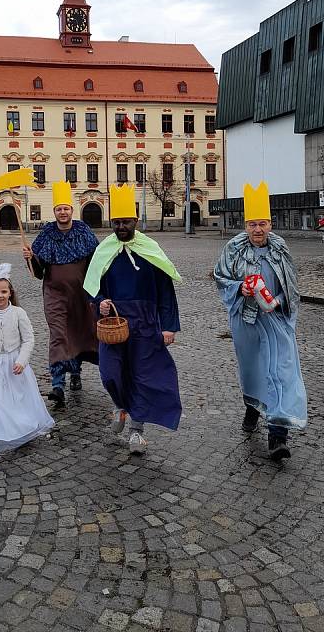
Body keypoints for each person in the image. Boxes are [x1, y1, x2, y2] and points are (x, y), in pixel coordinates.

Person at [83, 184, 182, 455]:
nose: (121, 226)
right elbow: (92, 285)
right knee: (110, 373)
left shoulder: (150, 249)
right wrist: (100, 301)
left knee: (143, 376)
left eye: (126, 221)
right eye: (116, 222)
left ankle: (136, 431)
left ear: (135, 221)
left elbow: (165, 290)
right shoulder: (104, 250)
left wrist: (169, 326)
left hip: (146, 323)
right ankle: (120, 406)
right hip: (114, 322)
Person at [214, 182, 307, 462]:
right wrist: (239, 288)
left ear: (270, 224)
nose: (258, 229)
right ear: (245, 224)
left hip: (276, 319)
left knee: (282, 371)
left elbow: (291, 283)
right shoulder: (233, 248)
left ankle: (278, 434)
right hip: (247, 320)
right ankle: (253, 406)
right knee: (253, 370)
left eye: (263, 223)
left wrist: (278, 300)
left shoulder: (280, 247)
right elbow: (221, 277)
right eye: (253, 224)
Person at [22, 181, 99, 408]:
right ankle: (57, 383)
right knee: (58, 334)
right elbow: (38, 271)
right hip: (55, 293)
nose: (62, 212)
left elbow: (96, 261)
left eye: (66, 208)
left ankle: (75, 372)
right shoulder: (47, 233)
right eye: (58, 209)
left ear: (71, 211)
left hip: (81, 293)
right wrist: (30, 257)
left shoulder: (83, 231)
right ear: (54, 211)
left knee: (78, 331)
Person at [0, 263, 54, 464]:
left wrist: (21, 360)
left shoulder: (19, 313)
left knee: (18, 400)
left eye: (3, 291)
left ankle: (22, 431)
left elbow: (29, 339)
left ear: (10, 293)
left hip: (14, 364)